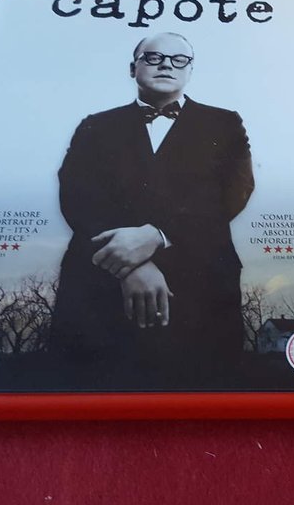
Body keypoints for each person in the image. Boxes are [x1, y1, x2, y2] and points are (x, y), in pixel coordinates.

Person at [50, 32, 254, 384]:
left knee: (204, 389)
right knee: (87, 389)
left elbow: (234, 192)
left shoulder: (225, 123)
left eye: (178, 60)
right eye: (153, 57)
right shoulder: (94, 125)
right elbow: (77, 195)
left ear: (190, 70)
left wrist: (159, 235)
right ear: (133, 68)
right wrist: (130, 264)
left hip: (202, 281)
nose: (166, 65)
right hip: (99, 283)